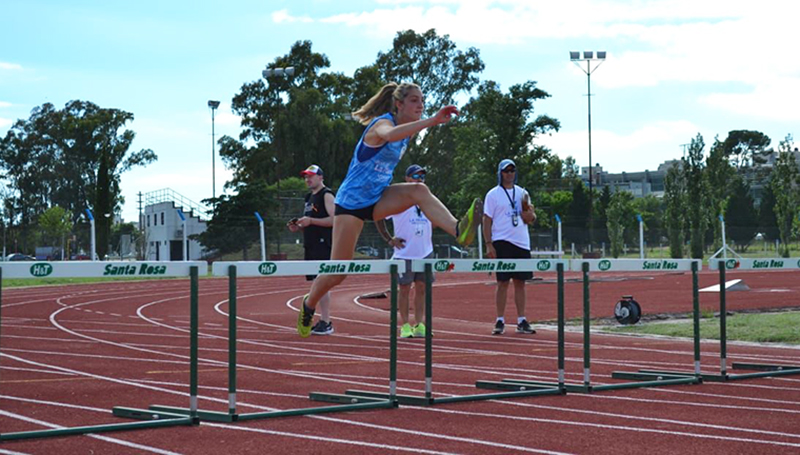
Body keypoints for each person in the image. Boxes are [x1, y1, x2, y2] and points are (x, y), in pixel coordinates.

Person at [296, 81, 483, 337]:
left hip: (378, 198)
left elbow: (401, 136)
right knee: (338, 271)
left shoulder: (406, 132)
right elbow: (388, 135)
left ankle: (458, 230)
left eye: (422, 100)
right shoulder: (381, 124)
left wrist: (427, 122)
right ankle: (308, 304)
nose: (421, 105)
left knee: (419, 191)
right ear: (399, 104)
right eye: (415, 100)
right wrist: (432, 120)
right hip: (351, 204)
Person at [375, 164, 433, 338]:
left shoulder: (427, 199)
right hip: (404, 253)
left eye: (422, 177)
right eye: (415, 176)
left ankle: (420, 324)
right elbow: (378, 216)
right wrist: (388, 239)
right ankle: (405, 325)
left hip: (425, 251)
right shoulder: (398, 200)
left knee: (422, 288)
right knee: (404, 288)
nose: (419, 180)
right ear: (407, 178)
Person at [482, 159, 537, 335]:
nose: (510, 174)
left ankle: (522, 320)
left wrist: (529, 215)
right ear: (500, 173)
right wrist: (489, 244)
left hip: (521, 242)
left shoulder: (523, 193)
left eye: (512, 171)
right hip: (502, 241)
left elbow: (531, 217)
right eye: (506, 171)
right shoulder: (493, 195)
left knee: (520, 282)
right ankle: (500, 320)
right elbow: (487, 220)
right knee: (503, 281)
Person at [287, 164, 336, 335]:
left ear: (321, 177)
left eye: (311, 176)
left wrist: (311, 222)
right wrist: (299, 226)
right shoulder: (308, 197)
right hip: (311, 243)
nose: (308, 179)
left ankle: (326, 320)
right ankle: (323, 320)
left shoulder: (326, 195)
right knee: (317, 282)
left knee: (321, 283)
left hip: (323, 244)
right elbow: (310, 221)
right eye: (306, 176)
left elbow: (334, 220)